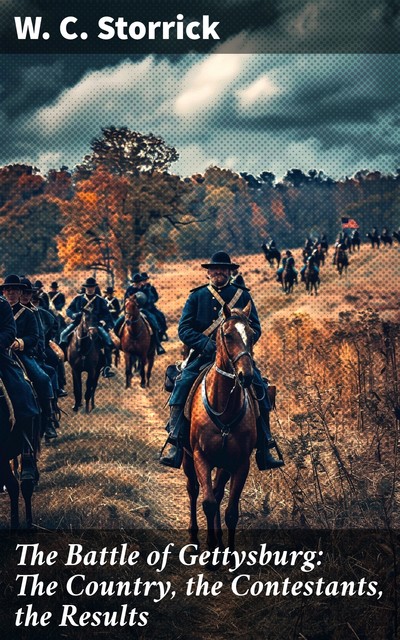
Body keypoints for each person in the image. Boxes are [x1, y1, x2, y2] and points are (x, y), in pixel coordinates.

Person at [159, 251, 284, 470]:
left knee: (260, 388)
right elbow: (184, 329)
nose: (218, 272)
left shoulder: (242, 296)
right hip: (203, 356)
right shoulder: (197, 296)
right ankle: (175, 440)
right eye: (215, 269)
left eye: (223, 269)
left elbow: (256, 328)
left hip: (237, 358)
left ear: (230, 272)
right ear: (208, 272)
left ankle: (265, 445)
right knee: (183, 384)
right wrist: (206, 344)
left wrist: (240, 344)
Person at [1, 274, 58, 440]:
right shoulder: (2, 309)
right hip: (2, 352)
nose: (11, 293)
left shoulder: (28, 314)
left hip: (21, 354)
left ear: (20, 293)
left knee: (42, 378)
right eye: (8, 290)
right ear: (4, 292)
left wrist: (20, 343)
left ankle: (48, 419)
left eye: (15, 290)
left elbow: (34, 337)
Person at [0, 293, 40, 480]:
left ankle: (26, 444)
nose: (12, 292)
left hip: (2, 356)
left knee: (23, 388)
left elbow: (9, 331)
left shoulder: (3, 306)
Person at [59, 277, 116, 378]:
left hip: (95, 324)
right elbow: (69, 310)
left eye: (92, 287)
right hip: (78, 323)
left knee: (108, 340)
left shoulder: (100, 300)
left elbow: (107, 315)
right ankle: (61, 362)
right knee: (63, 335)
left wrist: (103, 321)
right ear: (85, 288)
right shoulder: (78, 298)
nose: (90, 289)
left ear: (95, 288)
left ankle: (107, 367)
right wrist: (74, 315)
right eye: (88, 287)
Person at [141, 272, 168, 342]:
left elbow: (156, 297)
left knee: (160, 316)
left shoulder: (151, 288)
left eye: (145, 280)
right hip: (141, 308)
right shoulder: (139, 289)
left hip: (151, 308)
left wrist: (152, 300)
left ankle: (162, 332)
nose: (144, 282)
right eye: (143, 280)